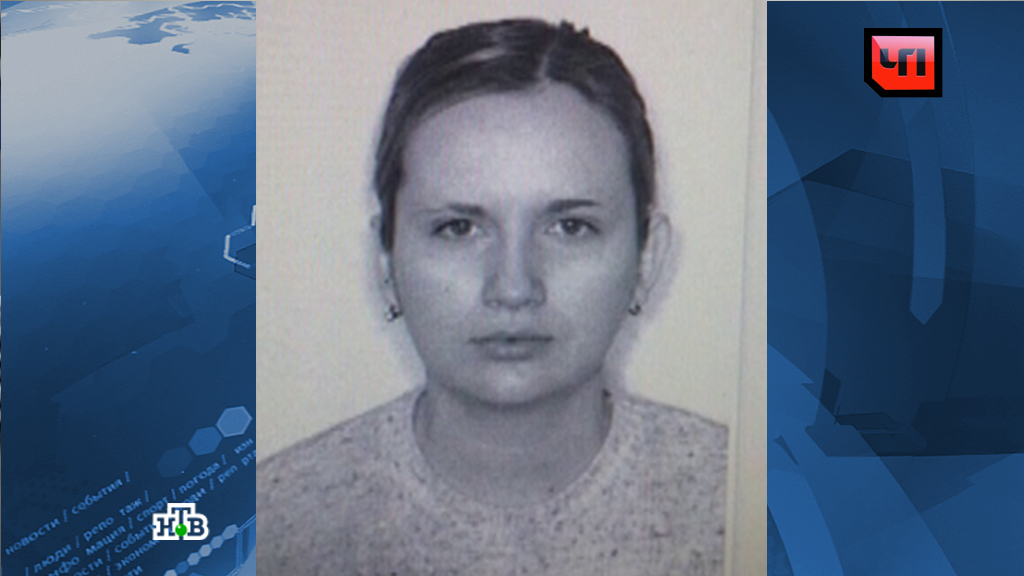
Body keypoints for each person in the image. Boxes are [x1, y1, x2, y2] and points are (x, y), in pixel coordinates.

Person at [256, 18, 727, 576]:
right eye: (458, 228)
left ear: (646, 259)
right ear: (386, 262)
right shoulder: (270, 527)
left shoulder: (747, 502)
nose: (513, 288)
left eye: (570, 227)